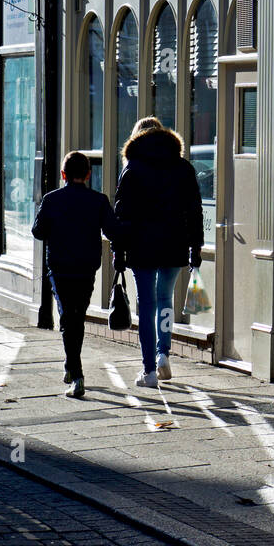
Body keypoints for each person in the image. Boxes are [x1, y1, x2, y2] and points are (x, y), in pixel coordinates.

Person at [112, 117, 203, 388]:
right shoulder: (183, 168)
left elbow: (122, 214)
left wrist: (119, 250)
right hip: (174, 243)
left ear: (136, 139)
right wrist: (195, 247)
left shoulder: (132, 169)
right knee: (165, 299)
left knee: (147, 303)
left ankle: (149, 370)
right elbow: (194, 211)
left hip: (142, 246)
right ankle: (164, 353)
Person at [31, 151, 123, 399]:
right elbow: (114, 231)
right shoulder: (99, 201)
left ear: (63, 175)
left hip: (60, 269)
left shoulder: (51, 200)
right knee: (77, 318)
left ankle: (77, 374)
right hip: (86, 269)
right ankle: (72, 368)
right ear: (88, 175)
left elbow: (38, 232)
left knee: (67, 320)